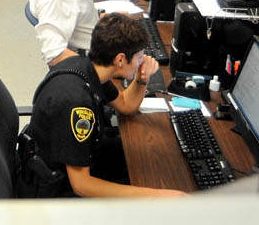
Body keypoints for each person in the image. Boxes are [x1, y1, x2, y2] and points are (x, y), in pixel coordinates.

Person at [28, 13, 186, 198]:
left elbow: (126, 105)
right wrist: (156, 196)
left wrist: (142, 79)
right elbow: (82, 185)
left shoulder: (88, 67)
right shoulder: (78, 106)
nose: (141, 62)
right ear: (120, 59)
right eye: (139, 57)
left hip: (76, 158)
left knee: (150, 159)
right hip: (57, 189)